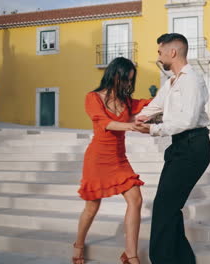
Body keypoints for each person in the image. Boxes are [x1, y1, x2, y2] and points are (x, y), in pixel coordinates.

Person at [135, 33, 210, 264]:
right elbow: (154, 107)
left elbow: (187, 120)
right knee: (168, 207)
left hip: (193, 145)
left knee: (164, 208)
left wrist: (152, 130)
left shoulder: (192, 80)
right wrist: (133, 120)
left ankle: (162, 259)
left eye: (160, 52)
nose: (157, 57)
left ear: (173, 52)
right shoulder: (171, 82)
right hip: (181, 146)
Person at [72, 57, 151, 264]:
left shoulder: (126, 101)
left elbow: (148, 104)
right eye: (125, 79)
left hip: (119, 159)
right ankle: (78, 244)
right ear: (115, 75)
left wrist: (171, 89)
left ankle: (130, 255)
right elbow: (104, 122)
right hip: (97, 158)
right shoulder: (93, 98)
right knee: (92, 207)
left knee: (136, 199)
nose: (127, 84)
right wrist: (131, 126)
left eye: (130, 81)